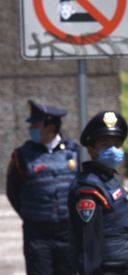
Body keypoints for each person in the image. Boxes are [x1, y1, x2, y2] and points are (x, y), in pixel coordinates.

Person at [6, 100, 78, 275]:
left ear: (51, 126)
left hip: (68, 232)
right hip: (37, 233)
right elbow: (13, 191)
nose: (32, 128)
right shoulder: (22, 155)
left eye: (36, 124)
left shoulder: (74, 152)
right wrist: (33, 214)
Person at [68, 111, 128, 275]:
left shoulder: (110, 180)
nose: (113, 150)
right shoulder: (89, 189)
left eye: (117, 144)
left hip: (122, 266)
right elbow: (88, 246)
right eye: (105, 145)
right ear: (91, 149)